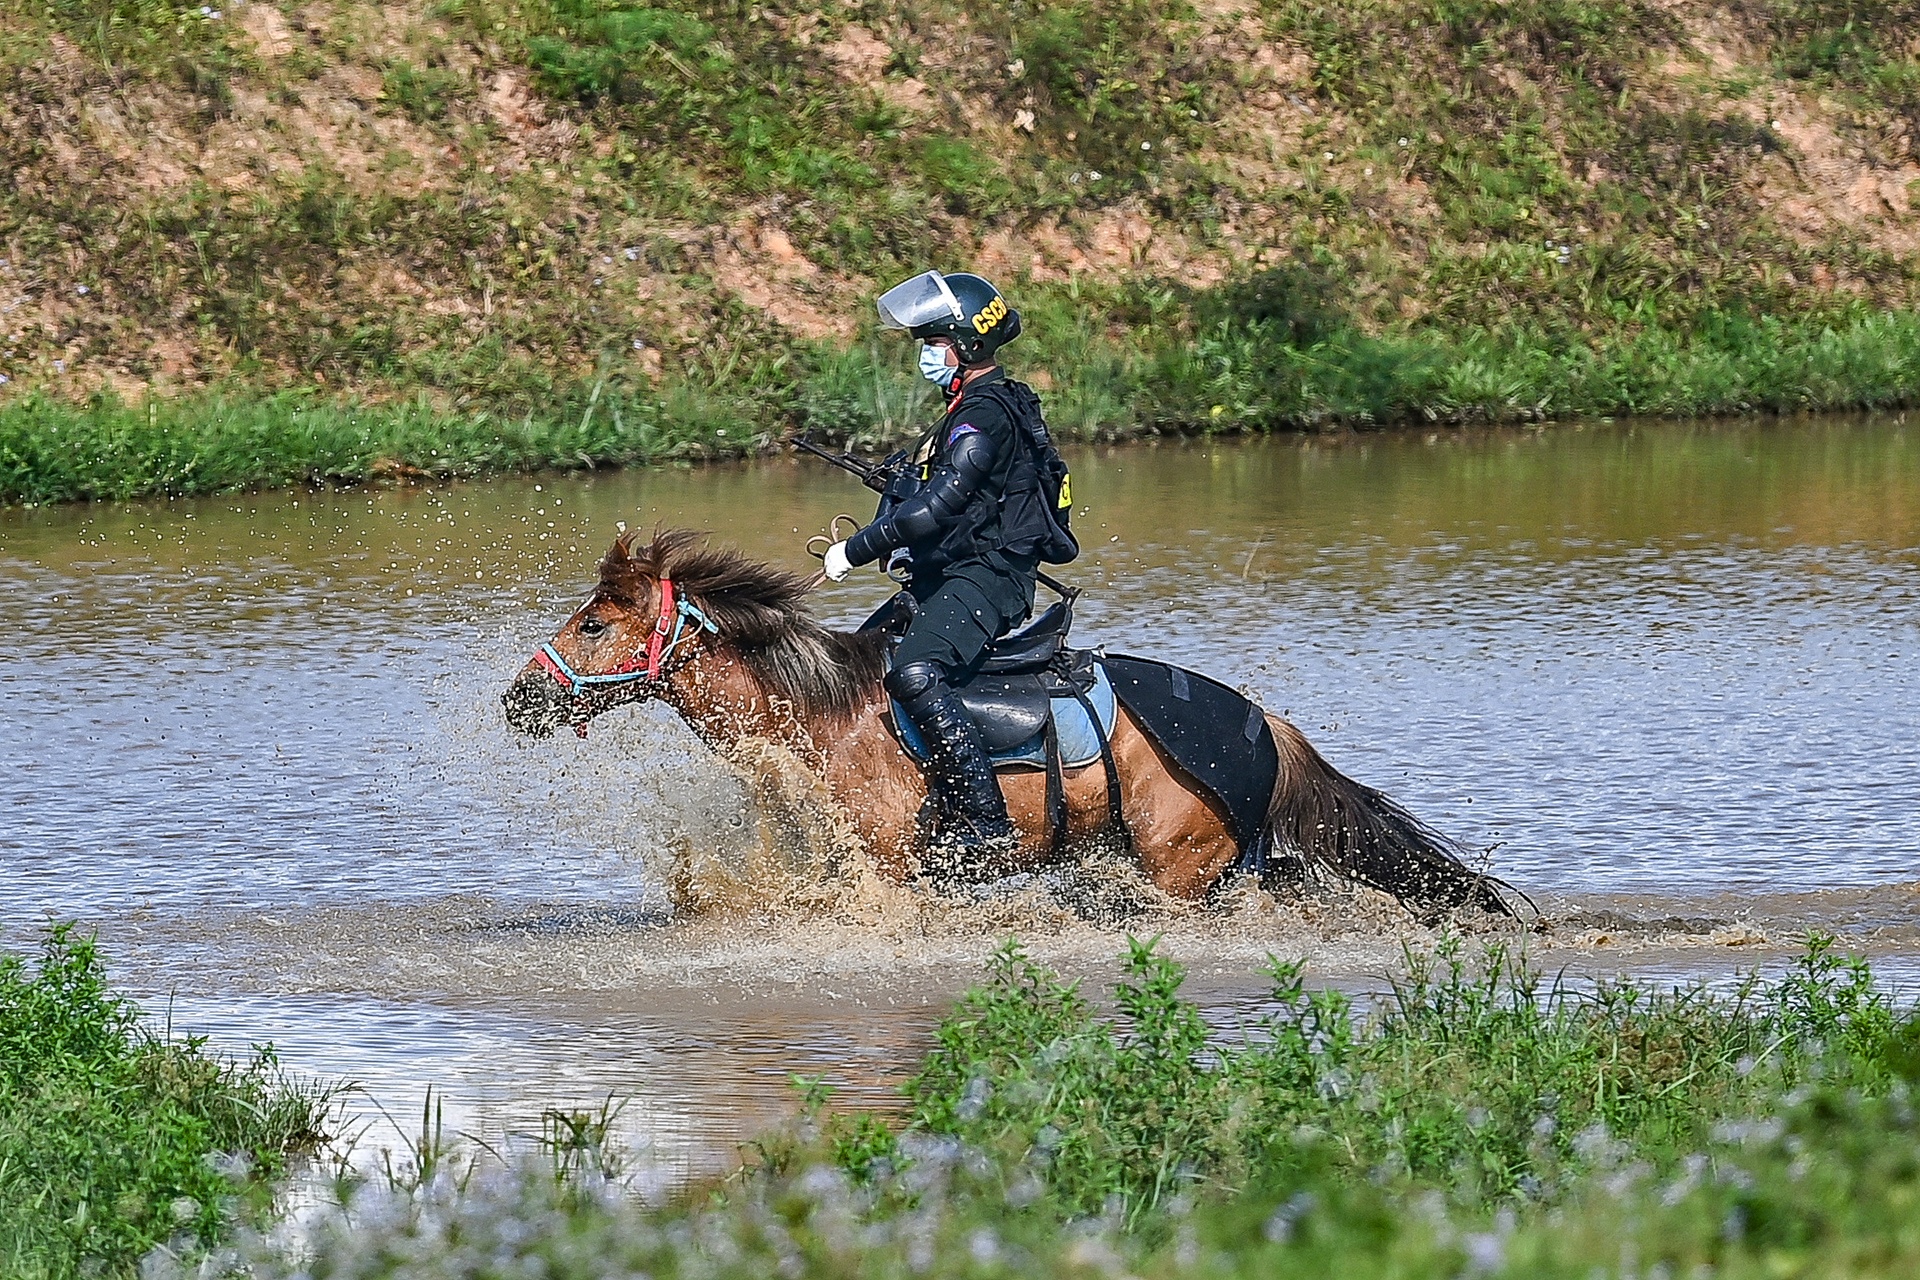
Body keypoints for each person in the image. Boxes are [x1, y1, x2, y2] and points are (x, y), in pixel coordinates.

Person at [821, 269, 1047, 869]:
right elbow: (932, 502)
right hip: (950, 574)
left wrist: (857, 549)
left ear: (966, 346)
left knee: (916, 673)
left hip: (989, 578)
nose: (925, 356)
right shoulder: (963, 409)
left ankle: (985, 826)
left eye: (933, 344)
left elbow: (940, 506)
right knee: (857, 663)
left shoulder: (987, 412)